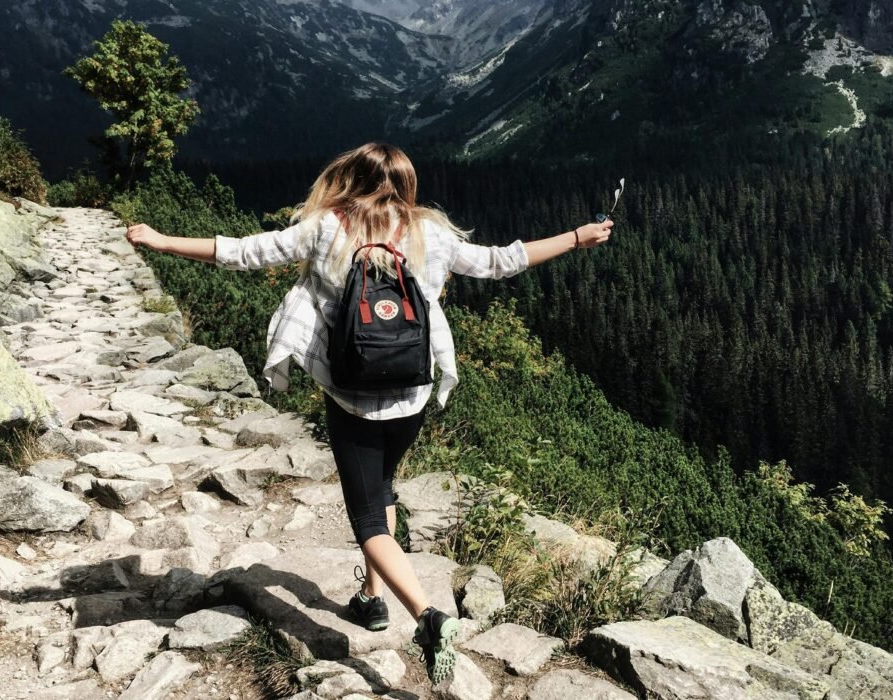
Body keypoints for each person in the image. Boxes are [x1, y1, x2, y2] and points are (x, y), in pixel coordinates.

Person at [125, 143, 613, 684]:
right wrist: (577, 236)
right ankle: (370, 599)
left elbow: (244, 252)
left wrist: (162, 240)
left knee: (366, 515)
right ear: (406, 185)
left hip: (352, 397)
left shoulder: (324, 227)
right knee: (383, 489)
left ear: (350, 180)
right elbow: (502, 262)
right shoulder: (431, 232)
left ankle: (427, 618)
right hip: (411, 393)